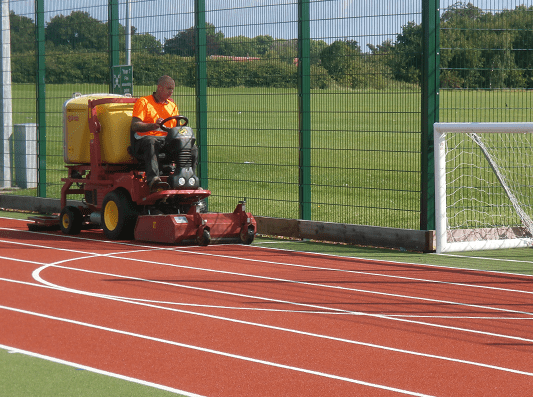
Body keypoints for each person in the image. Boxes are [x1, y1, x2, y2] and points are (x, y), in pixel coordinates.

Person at [130, 75, 195, 191]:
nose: (171, 92)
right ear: (159, 88)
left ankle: (190, 179)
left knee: (192, 148)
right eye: (168, 89)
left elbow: (176, 127)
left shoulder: (172, 106)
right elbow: (135, 125)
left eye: (173, 89)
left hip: (165, 141)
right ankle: (154, 180)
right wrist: (154, 125)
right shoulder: (144, 102)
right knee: (151, 141)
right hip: (144, 141)